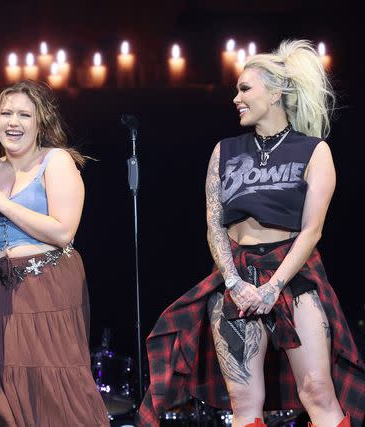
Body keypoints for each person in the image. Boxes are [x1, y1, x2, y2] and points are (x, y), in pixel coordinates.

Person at [136, 40, 365, 427]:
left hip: (294, 276)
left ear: (276, 93)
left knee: (317, 392)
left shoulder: (314, 151)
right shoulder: (224, 150)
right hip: (236, 276)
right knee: (243, 402)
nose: (236, 98)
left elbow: (312, 230)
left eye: (245, 89)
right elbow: (214, 224)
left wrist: (274, 286)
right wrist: (232, 280)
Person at [0, 80, 109, 426]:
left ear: (40, 123)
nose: (13, 122)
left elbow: (63, 231)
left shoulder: (56, 161)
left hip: (44, 286)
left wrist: (1, 203)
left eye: (24, 115)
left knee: (49, 387)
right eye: (7, 113)